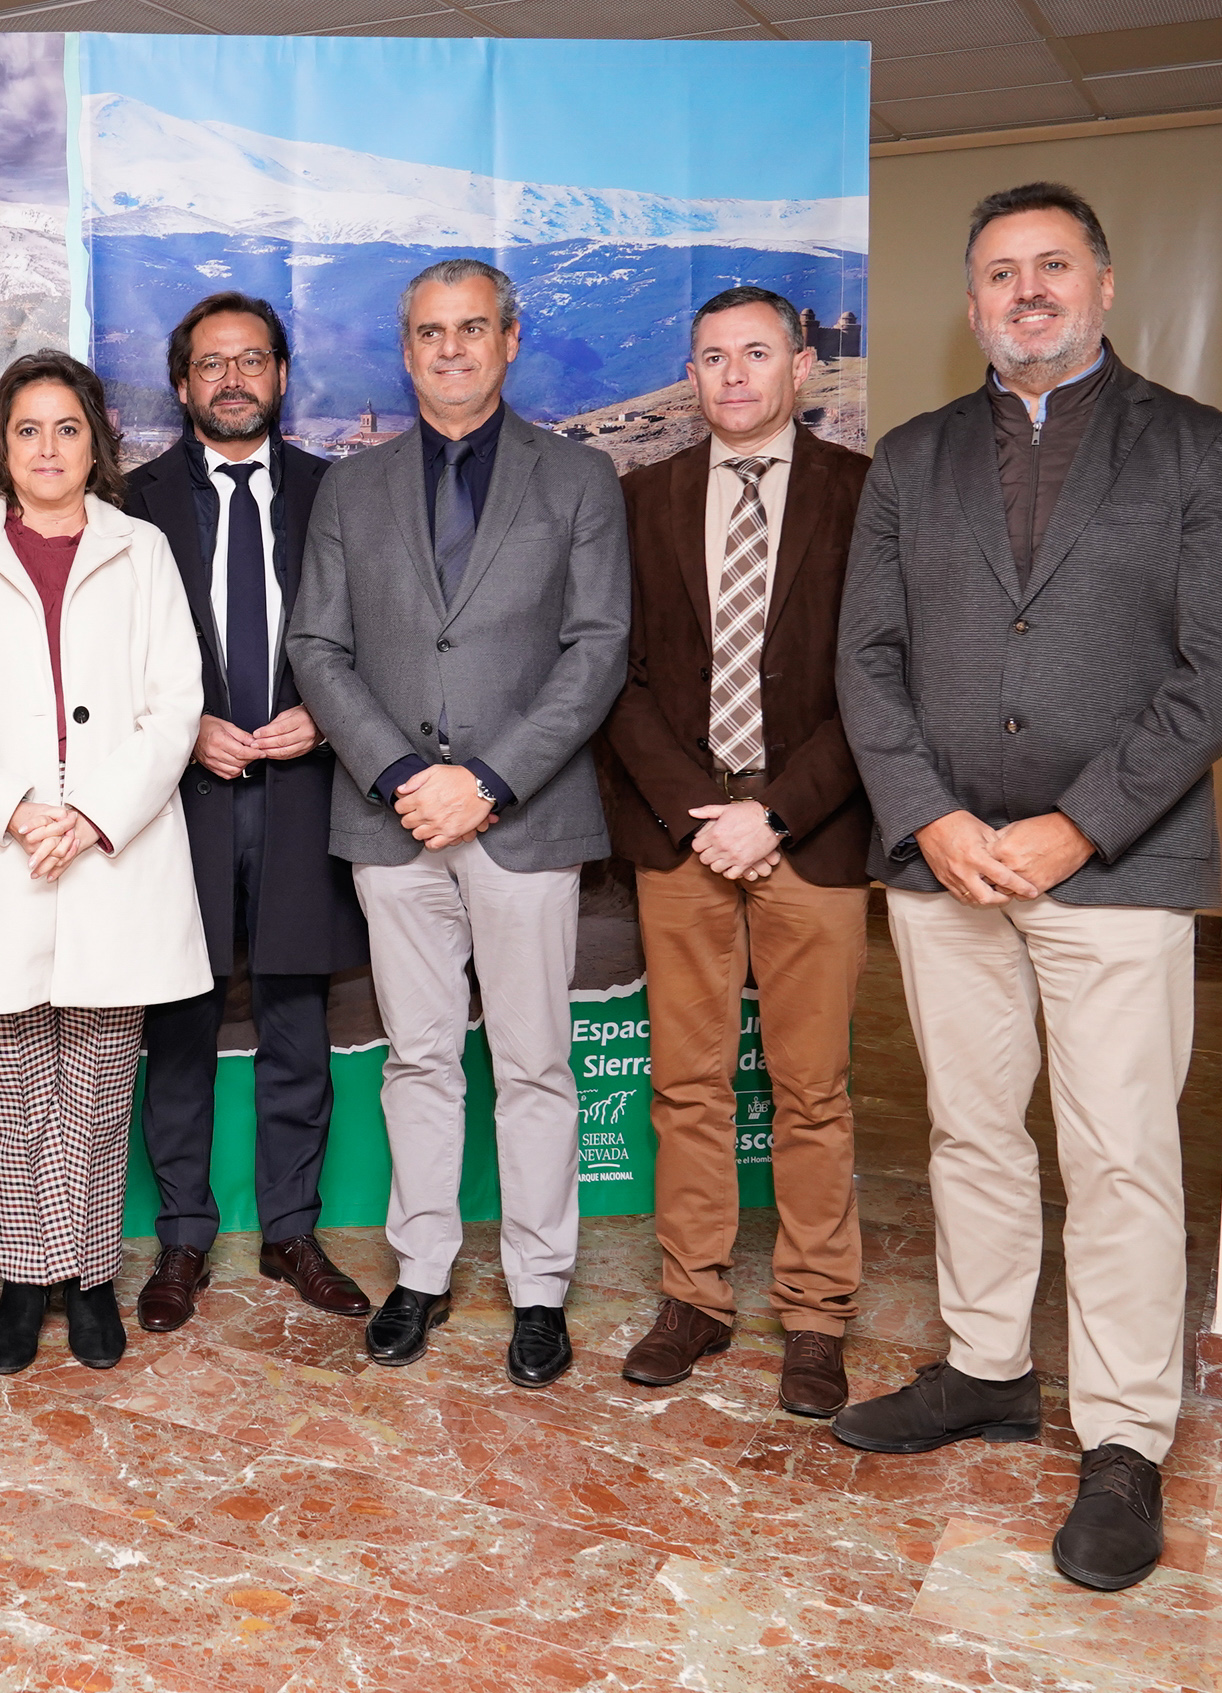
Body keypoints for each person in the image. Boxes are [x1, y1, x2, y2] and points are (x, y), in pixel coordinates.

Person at [835, 183, 1222, 1591]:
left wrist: (1078, 827)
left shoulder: (1204, 451)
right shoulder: (909, 459)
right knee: (970, 1133)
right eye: (1001, 274)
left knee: (1123, 1156)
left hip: (1123, 865)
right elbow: (869, 661)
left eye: (1053, 267)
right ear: (970, 305)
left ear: (1103, 285)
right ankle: (985, 1366)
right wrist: (931, 815)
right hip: (945, 862)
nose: (1028, 292)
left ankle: (1125, 1438)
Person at [288, 258, 630, 1389]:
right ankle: (421, 1271)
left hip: (520, 816)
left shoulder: (577, 479)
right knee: (420, 1058)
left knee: (535, 1062)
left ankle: (539, 1288)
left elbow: (597, 650)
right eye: (429, 333)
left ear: (510, 339)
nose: (450, 349)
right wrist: (399, 774)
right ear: (406, 347)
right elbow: (318, 651)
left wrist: (485, 778)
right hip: (393, 823)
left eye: (470, 329)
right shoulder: (352, 488)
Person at [0, 350, 208, 1375]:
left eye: (66, 428)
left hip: (112, 850)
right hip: (5, 849)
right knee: (14, 1078)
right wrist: (16, 809)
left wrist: (94, 814)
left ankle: (88, 1281)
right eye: (26, 429)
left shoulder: (144, 549)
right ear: (1, 445)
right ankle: (24, 1280)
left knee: (97, 1078)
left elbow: (175, 704)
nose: (46, 448)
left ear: (95, 444)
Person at [598, 285, 874, 1417]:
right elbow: (616, 677)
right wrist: (699, 813)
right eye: (711, 357)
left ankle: (813, 1314)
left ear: (801, 366)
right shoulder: (641, 500)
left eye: (755, 354)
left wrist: (777, 811)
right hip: (682, 842)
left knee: (812, 1091)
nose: (733, 376)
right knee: (687, 1084)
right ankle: (694, 1299)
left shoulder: (866, 497)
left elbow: (880, 680)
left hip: (813, 837)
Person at [122, 293, 370, 1332]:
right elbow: (101, 662)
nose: (232, 378)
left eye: (252, 360)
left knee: (293, 1018)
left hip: (306, 788)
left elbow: (379, 634)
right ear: (183, 384)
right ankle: (182, 1236)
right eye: (211, 362)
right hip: (177, 799)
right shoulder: (128, 508)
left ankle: (291, 1232)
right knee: (177, 1021)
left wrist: (328, 712)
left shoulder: (338, 496)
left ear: (280, 377)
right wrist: (181, 731)